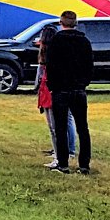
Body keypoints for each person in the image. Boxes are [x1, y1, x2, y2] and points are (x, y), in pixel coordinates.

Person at [40, 11, 94, 174]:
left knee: (61, 127)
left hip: (61, 90)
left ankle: (63, 163)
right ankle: (84, 165)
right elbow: (89, 65)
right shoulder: (84, 41)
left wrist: (52, 86)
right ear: (75, 23)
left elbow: (50, 65)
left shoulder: (56, 41)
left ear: (61, 23)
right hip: (78, 89)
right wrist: (83, 82)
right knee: (82, 128)